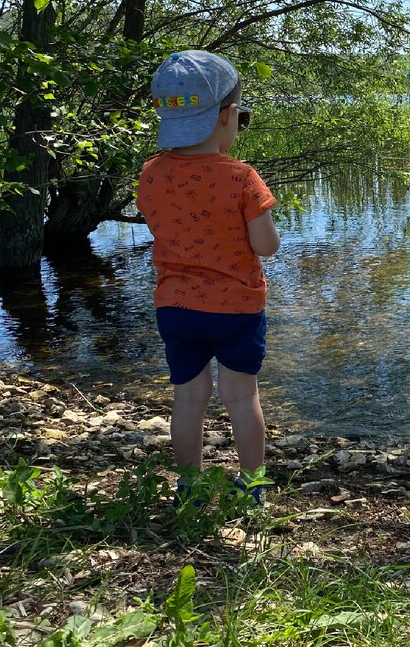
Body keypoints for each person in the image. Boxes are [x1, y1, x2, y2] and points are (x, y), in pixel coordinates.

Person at [136, 50, 280, 504]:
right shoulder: (241, 177)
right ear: (229, 116)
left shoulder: (152, 173)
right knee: (240, 398)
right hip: (235, 308)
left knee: (189, 398)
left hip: (176, 306)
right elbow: (266, 246)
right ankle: (253, 486)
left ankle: (191, 488)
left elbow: (163, 224)